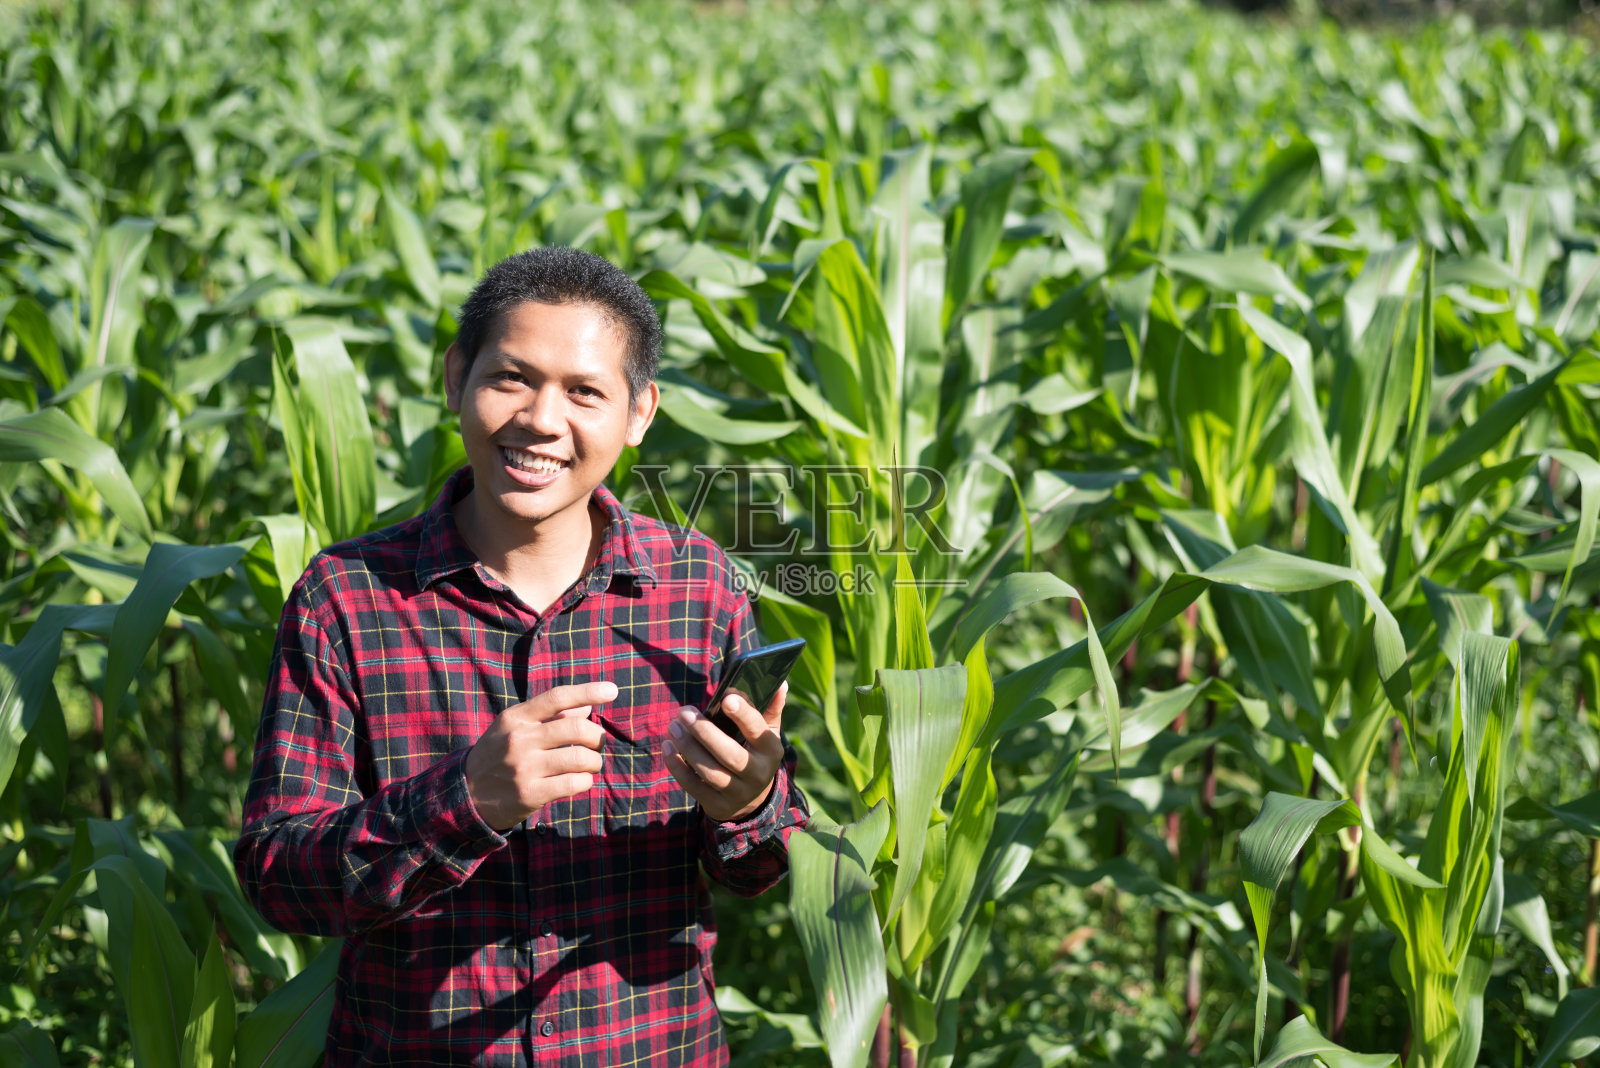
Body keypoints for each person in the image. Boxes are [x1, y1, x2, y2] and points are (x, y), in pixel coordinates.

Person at [234, 246, 810, 1067]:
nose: (541, 418)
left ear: (640, 412)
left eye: (584, 392)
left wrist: (750, 804)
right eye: (511, 377)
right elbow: (277, 876)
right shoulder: (348, 599)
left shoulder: (698, 585)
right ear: (455, 378)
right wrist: (463, 801)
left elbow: (762, 867)